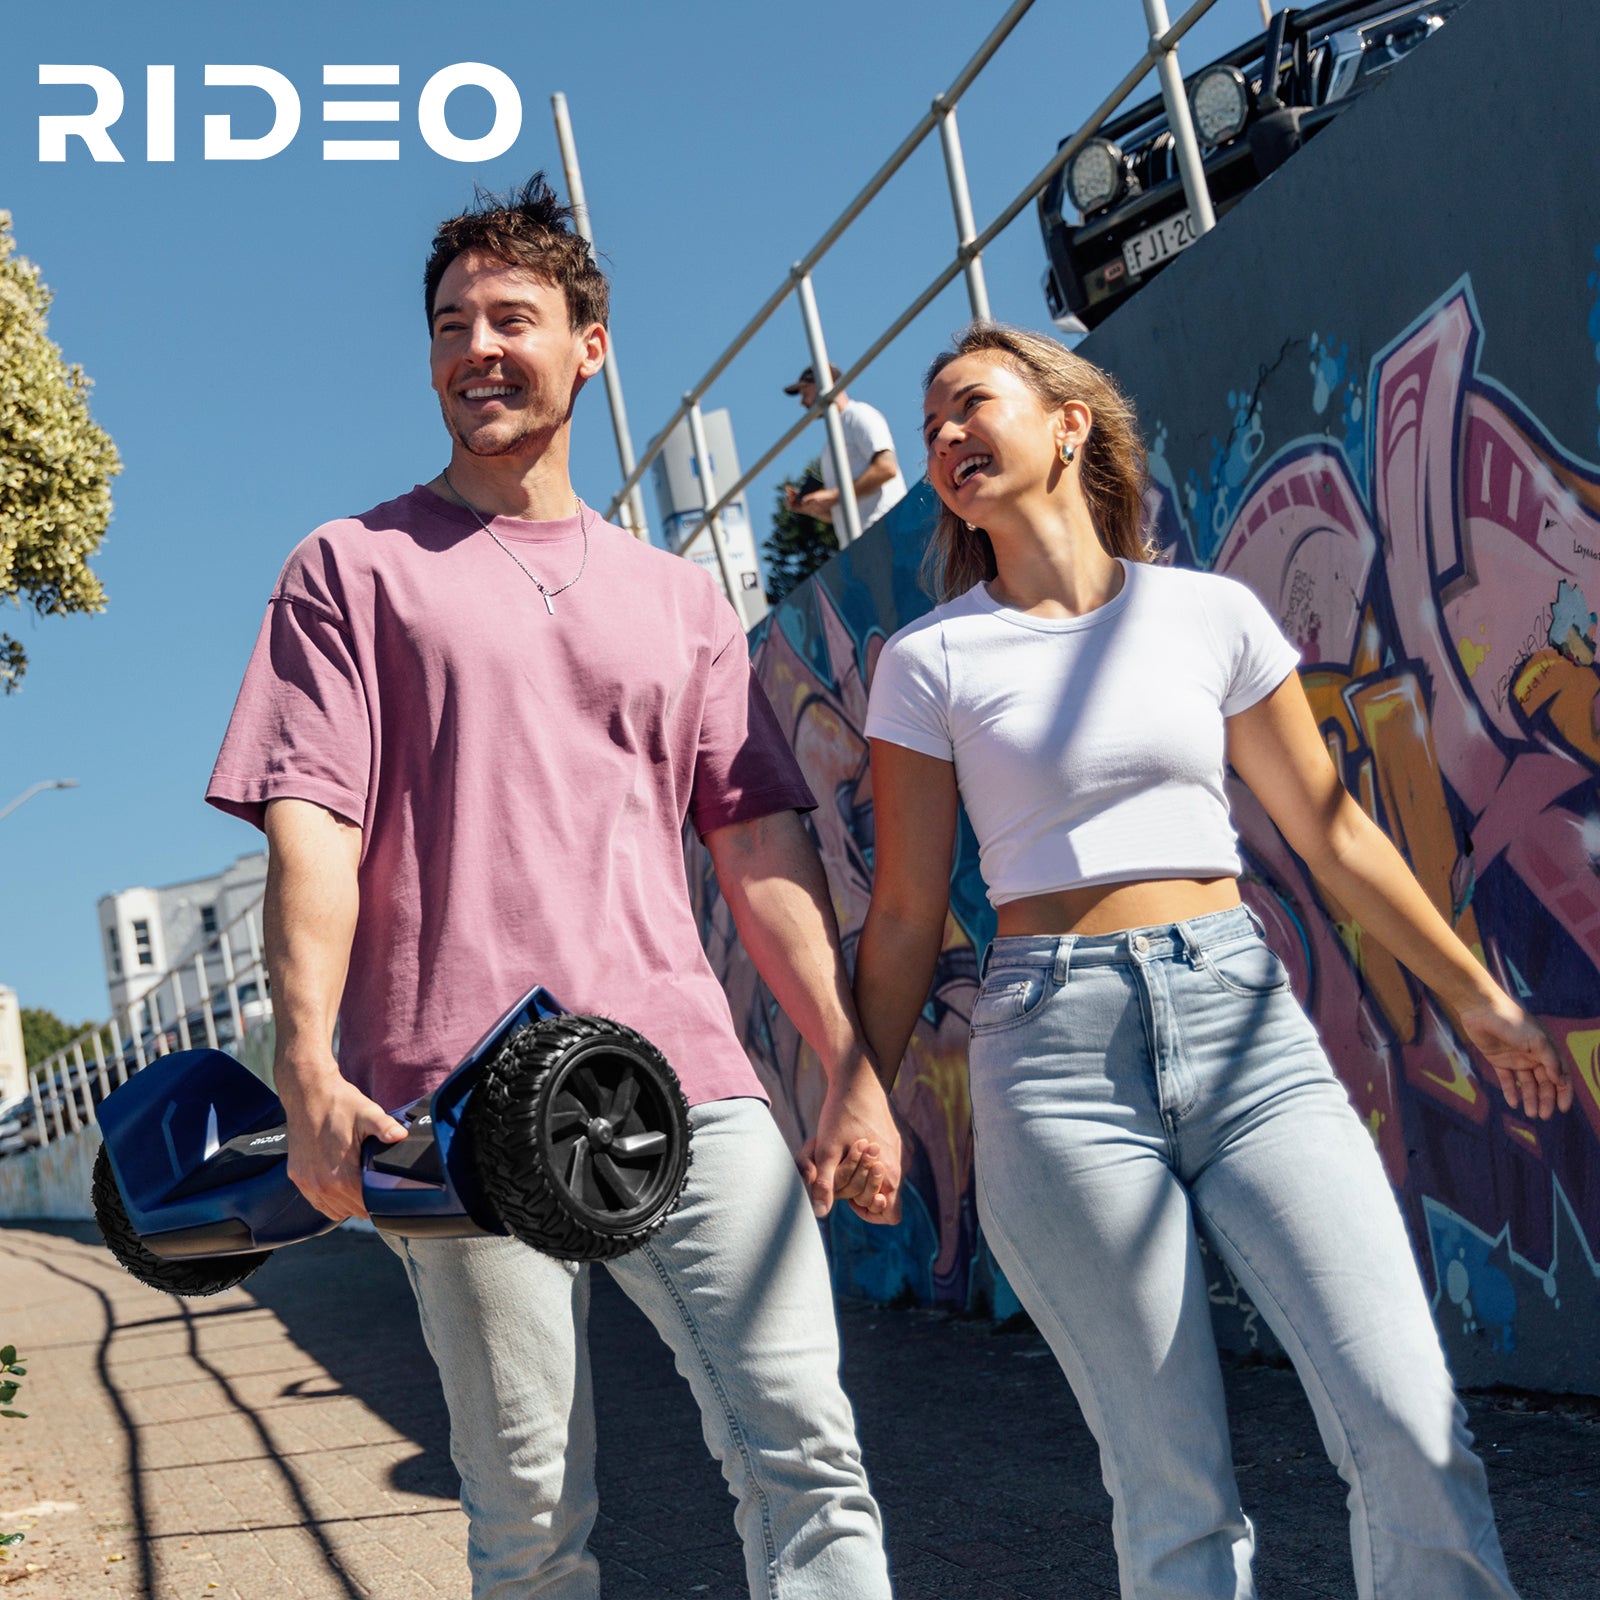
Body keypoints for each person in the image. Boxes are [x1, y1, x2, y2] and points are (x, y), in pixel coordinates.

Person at [206, 176, 901, 1600]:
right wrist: (307, 1072)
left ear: (589, 344)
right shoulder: (351, 570)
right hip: (444, 1101)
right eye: (450, 323)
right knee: (529, 1514)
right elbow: (310, 834)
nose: (477, 346)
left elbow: (758, 850)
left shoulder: (680, 601)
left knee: (805, 1453)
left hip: (683, 1083)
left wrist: (848, 1065)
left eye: (512, 317)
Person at [851, 320, 1571, 1600]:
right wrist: (863, 1083)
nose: (946, 438)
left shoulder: (1209, 615)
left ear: (1068, 420)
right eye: (930, 428)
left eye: (971, 404)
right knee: (1174, 1493)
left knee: (1410, 1424)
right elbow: (907, 912)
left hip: (1246, 1030)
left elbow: (1333, 830)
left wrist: (1477, 999)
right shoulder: (930, 661)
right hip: (1054, 1055)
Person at [783, 364, 907, 543]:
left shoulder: (859, 414)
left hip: (887, 529)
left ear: (821, 385)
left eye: (805, 392)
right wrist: (813, 507)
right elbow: (844, 510)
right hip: (862, 542)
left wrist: (833, 495)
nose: (803, 401)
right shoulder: (831, 444)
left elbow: (887, 468)